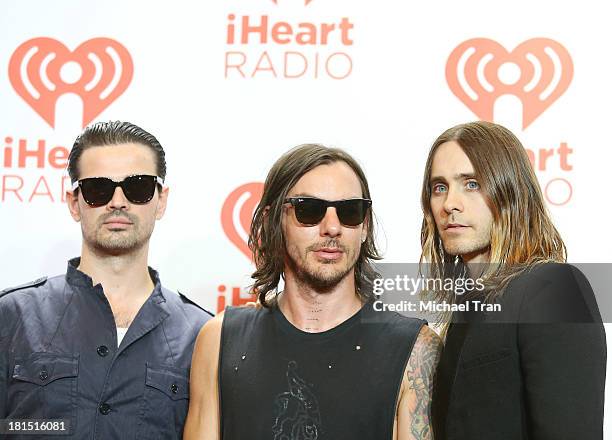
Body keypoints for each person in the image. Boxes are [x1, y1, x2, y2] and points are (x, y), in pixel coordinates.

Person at [184, 144, 442, 440]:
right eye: (309, 210)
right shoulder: (219, 339)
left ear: (365, 225)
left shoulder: (415, 349)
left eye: (349, 211)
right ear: (273, 220)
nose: (332, 227)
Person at [0, 121, 212, 439]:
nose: (117, 201)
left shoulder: (202, 335)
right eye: (98, 189)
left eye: (137, 187)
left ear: (161, 201)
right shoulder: (12, 315)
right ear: (75, 203)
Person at [419, 121, 606, 439]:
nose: (450, 203)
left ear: (510, 192)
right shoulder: (461, 314)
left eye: (472, 184)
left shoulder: (553, 288)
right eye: (440, 187)